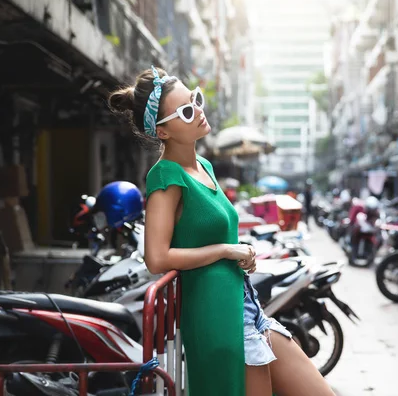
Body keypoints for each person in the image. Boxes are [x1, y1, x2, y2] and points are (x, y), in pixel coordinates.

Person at [108, 66, 334, 396]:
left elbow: (207, 231)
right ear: (163, 132)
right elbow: (156, 258)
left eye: (195, 100)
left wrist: (238, 249)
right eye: (186, 111)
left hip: (245, 304)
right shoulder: (165, 176)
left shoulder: (205, 167)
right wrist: (227, 250)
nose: (198, 111)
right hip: (216, 315)